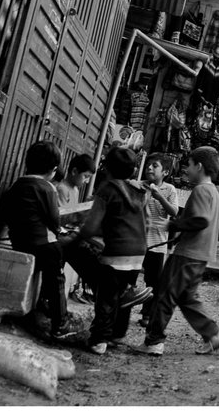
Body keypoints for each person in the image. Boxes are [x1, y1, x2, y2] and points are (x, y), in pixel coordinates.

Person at [136, 146, 219, 356]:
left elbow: (201, 219)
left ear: (199, 166)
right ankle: (213, 334)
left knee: (164, 295)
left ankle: (154, 341)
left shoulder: (201, 190)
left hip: (188, 253)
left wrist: (174, 226)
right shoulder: (214, 191)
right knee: (187, 297)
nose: (186, 169)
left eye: (188, 165)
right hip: (201, 254)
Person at [0, 141, 73, 338]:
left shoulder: (16, 185)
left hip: (20, 243)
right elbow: (53, 220)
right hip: (44, 245)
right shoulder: (47, 188)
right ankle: (60, 324)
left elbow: (5, 213)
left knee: (50, 272)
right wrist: (60, 229)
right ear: (54, 170)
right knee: (57, 279)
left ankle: (42, 308)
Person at [77, 147, 148, 355]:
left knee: (106, 296)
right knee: (124, 294)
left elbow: (90, 227)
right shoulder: (139, 191)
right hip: (138, 253)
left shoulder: (107, 189)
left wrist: (78, 235)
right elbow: (145, 223)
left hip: (117, 251)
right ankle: (117, 334)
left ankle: (99, 340)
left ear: (106, 168)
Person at [138, 153, 179, 327]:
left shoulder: (170, 190)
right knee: (130, 278)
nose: (149, 168)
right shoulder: (139, 187)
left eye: (155, 166)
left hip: (157, 244)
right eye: (148, 165)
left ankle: (147, 314)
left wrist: (159, 196)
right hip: (138, 242)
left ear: (165, 172)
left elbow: (174, 212)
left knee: (152, 282)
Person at [54, 154, 96, 301]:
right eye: (85, 176)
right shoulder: (62, 188)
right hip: (60, 234)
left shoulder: (75, 190)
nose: (87, 181)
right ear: (74, 172)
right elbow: (62, 216)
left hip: (68, 232)